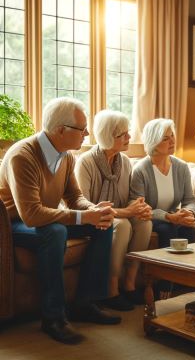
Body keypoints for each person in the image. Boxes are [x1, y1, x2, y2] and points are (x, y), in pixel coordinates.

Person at [0, 97, 121, 345]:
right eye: (82, 129)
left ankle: (85, 303)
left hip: (44, 218)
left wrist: (93, 210)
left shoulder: (66, 156)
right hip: (12, 225)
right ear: (61, 130)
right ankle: (53, 317)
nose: (87, 134)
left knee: (103, 223)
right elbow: (31, 215)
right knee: (54, 232)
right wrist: (82, 215)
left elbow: (75, 197)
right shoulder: (22, 156)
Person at [75, 110, 152, 311]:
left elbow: (131, 198)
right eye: (123, 135)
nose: (129, 138)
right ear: (108, 136)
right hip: (93, 217)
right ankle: (111, 289)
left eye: (128, 133)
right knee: (123, 225)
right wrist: (127, 212)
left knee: (145, 224)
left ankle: (129, 283)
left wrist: (141, 208)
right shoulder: (86, 162)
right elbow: (82, 204)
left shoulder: (125, 162)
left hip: (117, 213)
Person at [131, 118, 195, 298]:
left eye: (172, 136)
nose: (172, 141)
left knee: (188, 228)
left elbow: (190, 200)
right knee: (167, 228)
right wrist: (169, 217)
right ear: (153, 141)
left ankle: (189, 283)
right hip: (150, 219)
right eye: (165, 138)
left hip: (174, 217)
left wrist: (190, 213)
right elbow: (141, 207)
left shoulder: (181, 167)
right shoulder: (141, 170)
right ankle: (164, 287)